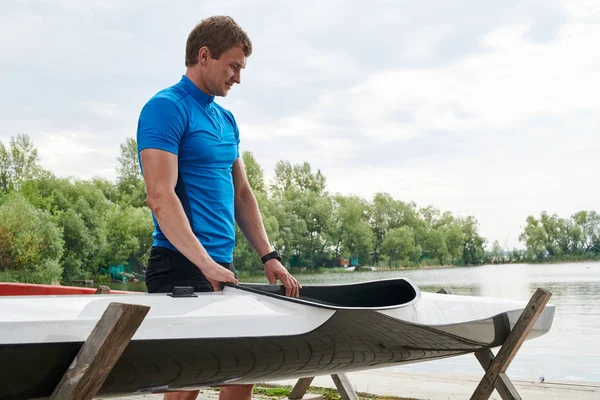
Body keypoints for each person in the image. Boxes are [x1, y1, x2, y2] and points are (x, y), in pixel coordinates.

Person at [136, 15, 302, 400]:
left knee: (243, 368)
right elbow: (160, 196)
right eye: (233, 66)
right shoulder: (166, 108)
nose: (238, 78)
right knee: (186, 385)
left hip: (219, 265)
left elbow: (242, 194)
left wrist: (269, 255)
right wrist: (203, 264)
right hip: (179, 265)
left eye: (242, 69)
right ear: (204, 55)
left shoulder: (226, 120)